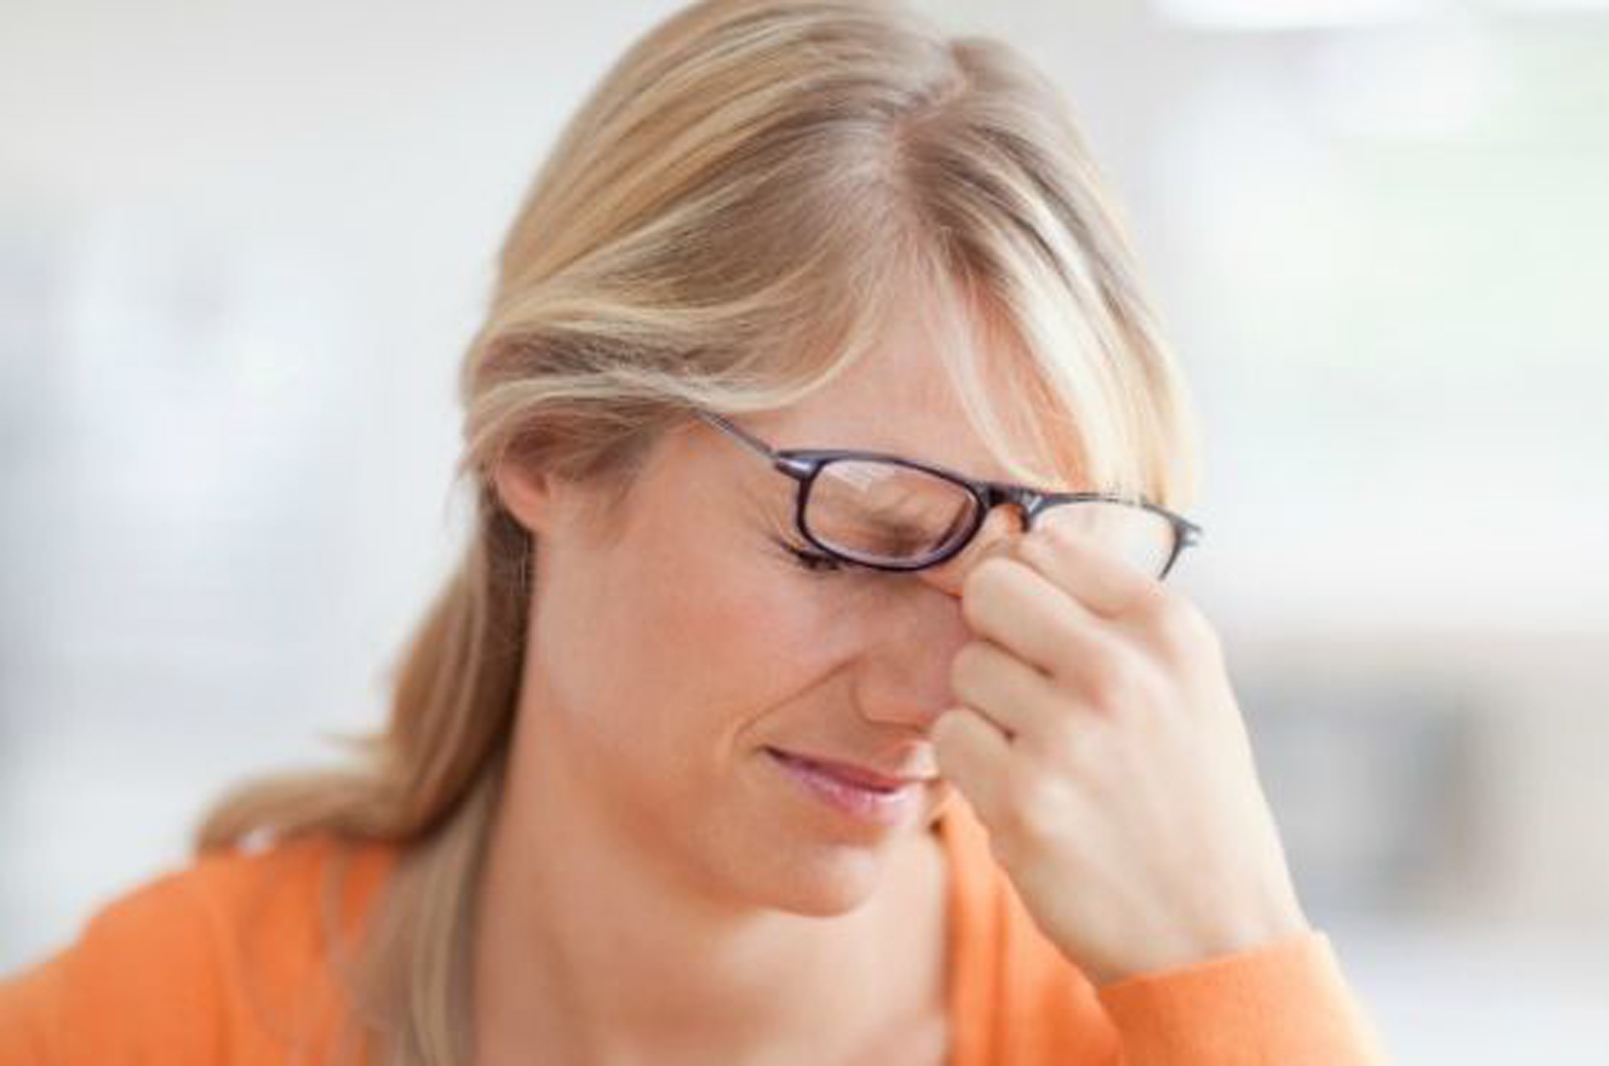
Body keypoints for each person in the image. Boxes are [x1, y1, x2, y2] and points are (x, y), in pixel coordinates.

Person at [0, 1, 1387, 1062]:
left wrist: (1239, 961)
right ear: (543, 442)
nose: (928, 700)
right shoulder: (157, 1018)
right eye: (852, 535)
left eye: (1026, 579)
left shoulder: (1141, 1028)